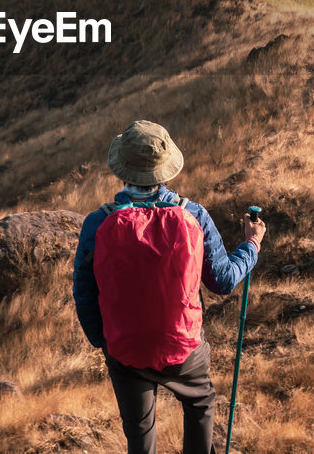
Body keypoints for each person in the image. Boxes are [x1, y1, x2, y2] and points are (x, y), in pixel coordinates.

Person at [72, 119, 267, 454]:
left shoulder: (98, 222)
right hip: (184, 347)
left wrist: (102, 342)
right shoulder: (193, 215)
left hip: (126, 350)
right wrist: (252, 245)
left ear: (123, 171)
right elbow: (222, 281)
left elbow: (84, 292)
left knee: (139, 431)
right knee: (201, 404)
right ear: (165, 172)